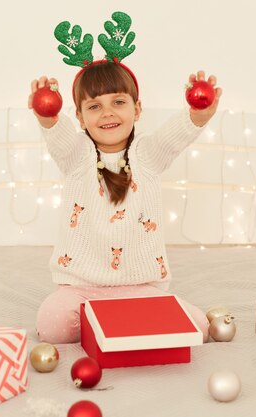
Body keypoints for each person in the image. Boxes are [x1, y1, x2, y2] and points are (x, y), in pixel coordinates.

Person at [28, 60, 222, 344]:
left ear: (137, 109)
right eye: (94, 106)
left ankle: (119, 323)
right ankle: (112, 325)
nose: (107, 113)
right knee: (51, 325)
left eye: (118, 102)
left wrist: (199, 114)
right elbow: (59, 135)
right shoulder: (77, 155)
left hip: (140, 287)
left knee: (199, 328)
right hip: (81, 289)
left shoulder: (147, 154)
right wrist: (47, 114)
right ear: (80, 118)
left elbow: (172, 138)